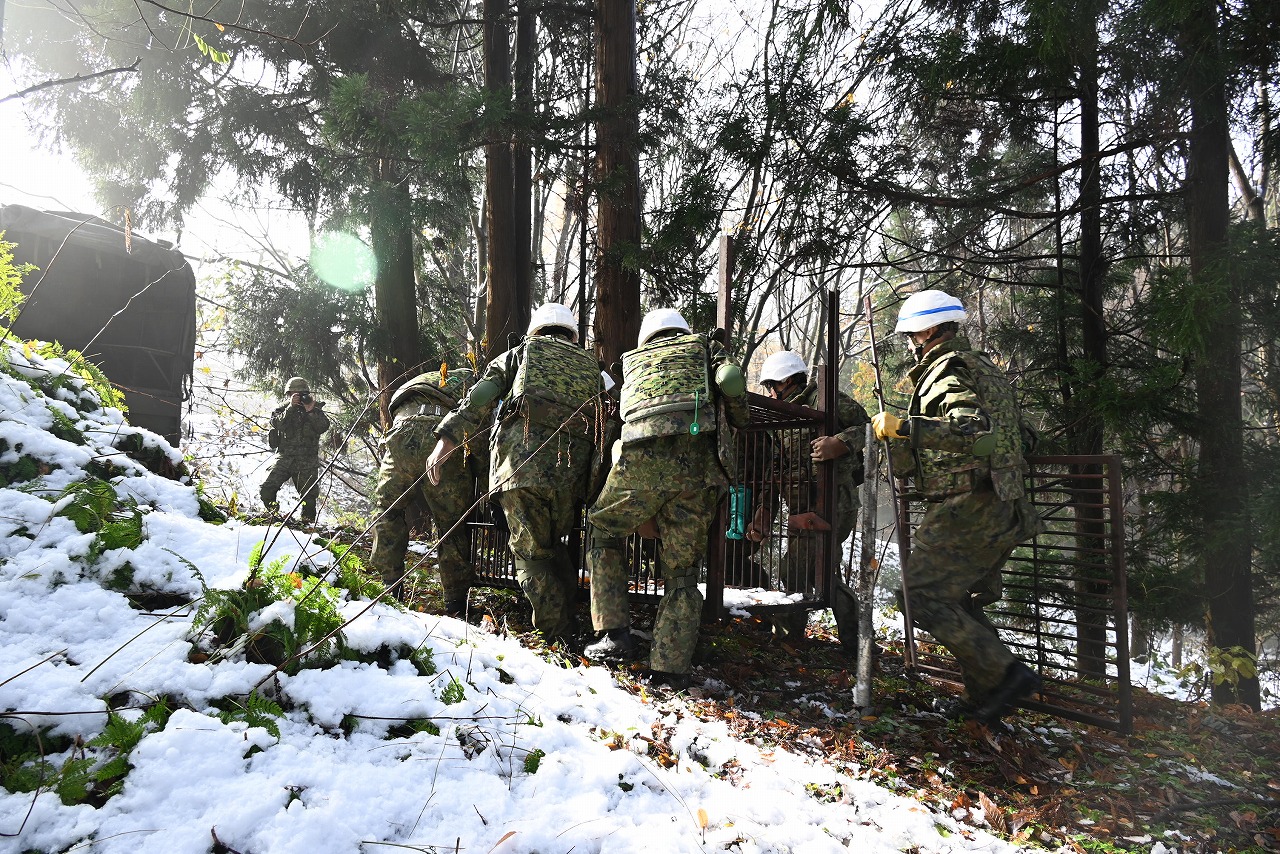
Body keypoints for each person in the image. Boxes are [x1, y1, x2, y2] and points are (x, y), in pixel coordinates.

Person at [871, 289, 1043, 725]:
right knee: (956, 599)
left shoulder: (946, 370)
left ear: (930, 329)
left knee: (922, 598)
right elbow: (1022, 435)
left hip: (969, 504)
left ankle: (1006, 675)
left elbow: (970, 429)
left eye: (911, 333)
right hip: (999, 502)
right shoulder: (983, 369)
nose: (910, 341)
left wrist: (906, 427)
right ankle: (988, 698)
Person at [583, 309, 750, 686]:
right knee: (682, 572)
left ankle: (613, 635)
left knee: (604, 529)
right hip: (699, 468)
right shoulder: (704, 347)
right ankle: (669, 669)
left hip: (639, 465)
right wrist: (739, 416)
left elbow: (616, 424)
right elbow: (732, 380)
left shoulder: (635, 362)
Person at [426, 303, 603, 643]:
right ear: (571, 334)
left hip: (520, 470)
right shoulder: (592, 368)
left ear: (535, 329)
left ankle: (560, 636)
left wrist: (446, 439)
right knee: (553, 546)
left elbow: (481, 396)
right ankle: (569, 619)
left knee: (531, 555)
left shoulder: (520, 354)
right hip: (572, 476)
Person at [746, 351, 870, 647]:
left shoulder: (825, 400)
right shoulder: (784, 415)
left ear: (787, 380)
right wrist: (766, 509)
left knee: (799, 568)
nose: (770, 392)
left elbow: (869, 427)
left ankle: (792, 637)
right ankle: (856, 642)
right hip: (802, 506)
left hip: (833, 502)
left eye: (771, 385)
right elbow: (777, 469)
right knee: (823, 572)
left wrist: (839, 443)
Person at [371, 366, 480, 610]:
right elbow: (477, 431)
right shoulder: (473, 383)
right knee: (451, 523)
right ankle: (455, 602)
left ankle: (390, 588)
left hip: (401, 430)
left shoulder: (425, 378)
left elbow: (394, 408)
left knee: (387, 510)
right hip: (442, 437)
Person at [261, 377, 331, 525]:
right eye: (295, 394)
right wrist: (290, 408)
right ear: (289, 394)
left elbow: (323, 427)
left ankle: (307, 527)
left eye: (302, 394)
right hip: (284, 457)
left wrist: (311, 411)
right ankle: (274, 518)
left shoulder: (315, 409)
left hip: (307, 461)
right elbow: (277, 423)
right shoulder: (282, 409)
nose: (299, 397)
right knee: (267, 489)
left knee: (309, 499)